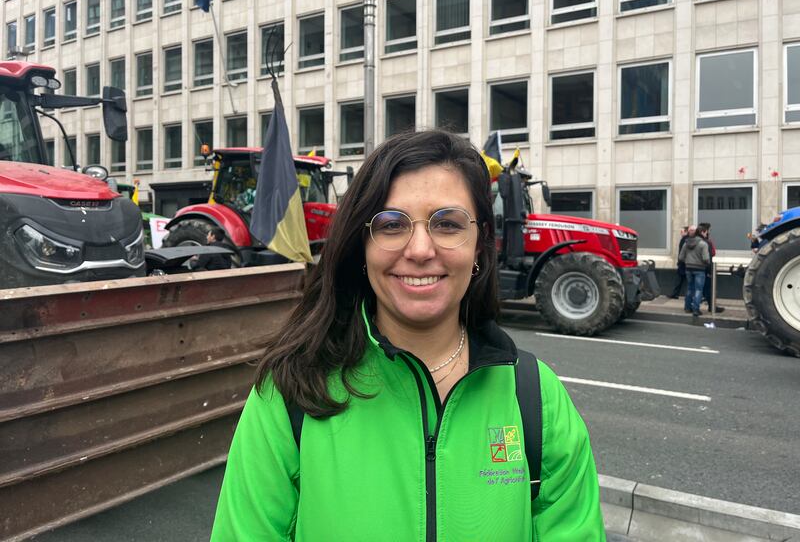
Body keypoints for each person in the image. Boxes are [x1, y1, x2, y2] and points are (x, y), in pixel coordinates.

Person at [211, 130, 605, 541]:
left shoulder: (536, 399)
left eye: (448, 223)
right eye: (392, 224)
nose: (419, 250)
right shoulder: (290, 394)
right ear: (361, 246)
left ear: (480, 245)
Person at [679, 225, 710, 316]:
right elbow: (706, 259)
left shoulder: (685, 243)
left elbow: (680, 257)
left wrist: (688, 262)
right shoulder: (703, 244)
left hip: (688, 268)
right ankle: (696, 309)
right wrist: (705, 264)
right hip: (700, 269)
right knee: (698, 289)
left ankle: (687, 307)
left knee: (689, 288)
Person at [698, 222, 724, 313]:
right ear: (704, 232)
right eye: (708, 231)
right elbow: (710, 255)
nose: (709, 232)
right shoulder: (706, 242)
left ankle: (691, 307)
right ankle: (711, 306)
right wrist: (710, 270)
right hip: (705, 268)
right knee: (707, 288)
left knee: (696, 288)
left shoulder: (693, 240)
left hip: (695, 268)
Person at [668, 226, 689, 298]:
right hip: (685, 263)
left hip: (683, 263)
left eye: (682, 232)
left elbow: (682, 252)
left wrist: (680, 261)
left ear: (686, 232)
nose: (680, 233)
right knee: (681, 280)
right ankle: (675, 294)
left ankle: (675, 294)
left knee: (679, 279)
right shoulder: (687, 239)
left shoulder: (684, 240)